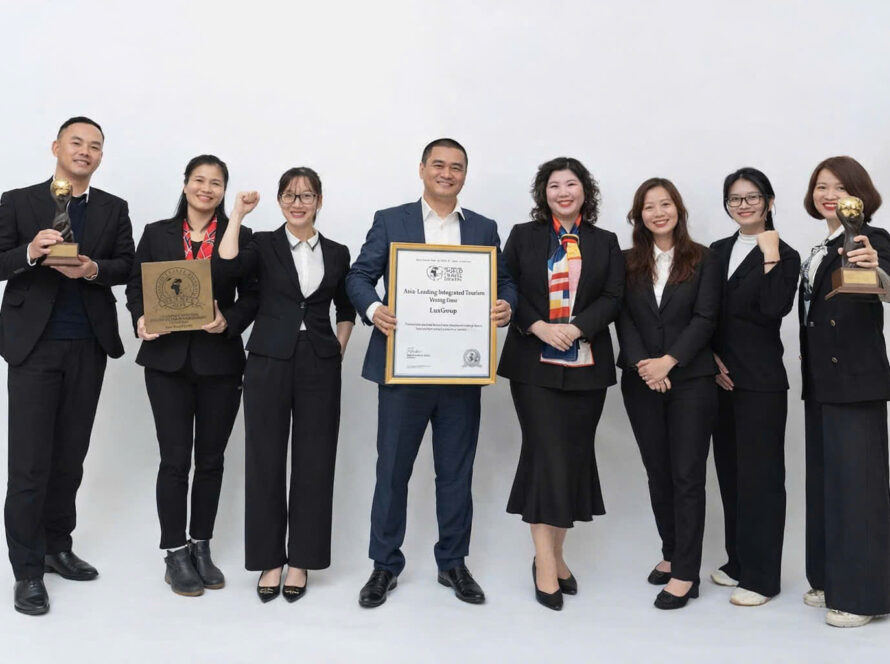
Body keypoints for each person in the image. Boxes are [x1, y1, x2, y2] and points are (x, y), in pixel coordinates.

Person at [346, 138, 517, 608]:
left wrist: (507, 305)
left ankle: (453, 562)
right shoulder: (391, 220)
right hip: (404, 368)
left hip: (460, 372)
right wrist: (374, 309)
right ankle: (384, 565)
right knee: (392, 471)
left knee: (456, 473)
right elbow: (358, 276)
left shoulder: (483, 227)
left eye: (456, 167)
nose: (446, 173)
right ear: (421, 169)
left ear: (465, 175)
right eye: (438, 164)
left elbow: (503, 282)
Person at [0, 116, 135, 615]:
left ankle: (58, 546)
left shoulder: (113, 208)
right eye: (76, 142)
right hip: (34, 347)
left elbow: (128, 264)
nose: (85, 151)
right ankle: (27, 570)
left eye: (95, 146)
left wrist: (95, 269)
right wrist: (29, 252)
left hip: (87, 344)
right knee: (29, 464)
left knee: (70, 457)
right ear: (56, 146)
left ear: (101, 156)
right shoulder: (18, 201)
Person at [217, 167, 355, 603]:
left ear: (319, 201)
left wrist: (338, 346)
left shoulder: (337, 252)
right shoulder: (263, 244)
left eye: (307, 195)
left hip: (319, 361)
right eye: (290, 195)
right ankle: (269, 559)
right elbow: (227, 264)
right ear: (279, 201)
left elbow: (346, 307)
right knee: (265, 459)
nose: (298, 203)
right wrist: (238, 215)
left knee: (315, 460)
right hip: (267, 360)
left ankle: (302, 560)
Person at [125, 155, 258, 597]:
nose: (206, 188)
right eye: (199, 180)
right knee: (174, 460)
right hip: (166, 362)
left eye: (216, 183)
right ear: (185, 185)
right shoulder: (156, 233)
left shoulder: (239, 235)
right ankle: (174, 551)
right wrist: (140, 319)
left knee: (212, 460)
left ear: (224, 191)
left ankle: (201, 545)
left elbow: (250, 293)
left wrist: (229, 321)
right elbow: (136, 286)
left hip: (219, 361)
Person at [497, 157, 623, 611]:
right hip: (534, 367)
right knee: (544, 456)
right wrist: (537, 326)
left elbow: (613, 296)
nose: (563, 192)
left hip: (587, 368)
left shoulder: (605, 242)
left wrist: (576, 327)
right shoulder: (523, 236)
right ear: (543, 193)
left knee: (571, 459)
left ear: (585, 191)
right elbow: (507, 286)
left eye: (571, 184)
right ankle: (545, 563)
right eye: (554, 185)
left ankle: (556, 554)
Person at [616, 177, 721, 610]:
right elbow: (622, 317)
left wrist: (669, 361)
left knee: (687, 476)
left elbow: (706, 318)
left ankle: (686, 573)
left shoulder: (704, 258)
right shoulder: (626, 262)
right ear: (638, 216)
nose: (658, 213)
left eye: (665, 204)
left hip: (691, 380)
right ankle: (671, 551)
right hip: (641, 381)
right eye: (649, 206)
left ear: (678, 209)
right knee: (658, 472)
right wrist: (646, 365)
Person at [798, 156, 890, 628]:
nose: (828, 194)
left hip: (856, 380)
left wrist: (879, 272)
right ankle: (830, 579)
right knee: (827, 484)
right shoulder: (821, 246)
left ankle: (863, 596)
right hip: (821, 382)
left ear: (859, 193)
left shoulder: (873, 239)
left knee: (859, 488)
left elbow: (885, 285)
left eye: (838, 186)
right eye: (821, 186)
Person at [708, 167, 800, 606]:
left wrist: (770, 253)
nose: (743, 205)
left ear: (768, 201)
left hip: (761, 381)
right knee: (730, 472)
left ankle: (762, 578)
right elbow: (702, 312)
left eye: (752, 197)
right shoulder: (716, 251)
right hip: (718, 378)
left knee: (761, 478)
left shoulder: (786, 254)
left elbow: (773, 308)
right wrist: (709, 359)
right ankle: (738, 562)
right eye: (735, 198)